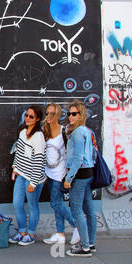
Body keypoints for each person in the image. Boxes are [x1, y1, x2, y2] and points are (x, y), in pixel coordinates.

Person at [42, 103, 80, 245]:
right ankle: (60, 233)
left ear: (58, 115)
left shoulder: (65, 132)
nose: (49, 116)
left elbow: (71, 153)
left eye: (52, 113)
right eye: (47, 113)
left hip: (60, 173)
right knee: (57, 203)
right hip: (49, 173)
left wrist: (69, 174)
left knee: (55, 203)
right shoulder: (45, 131)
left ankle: (77, 226)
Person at [63, 100, 97, 257]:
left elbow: (78, 158)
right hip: (88, 173)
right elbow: (93, 153)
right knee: (89, 209)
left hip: (80, 173)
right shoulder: (87, 131)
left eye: (74, 114)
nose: (70, 117)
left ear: (81, 115)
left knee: (76, 209)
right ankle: (90, 243)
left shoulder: (77, 133)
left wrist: (69, 177)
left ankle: (84, 248)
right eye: (69, 114)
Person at [9, 105, 46, 246]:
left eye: (31, 116)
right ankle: (22, 231)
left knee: (32, 205)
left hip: (33, 178)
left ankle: (30, 234)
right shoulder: (23, 132)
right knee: (17, 203)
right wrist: (15, 168)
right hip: (21, 174)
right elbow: (19, 153)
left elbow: (39, 160)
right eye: (26, 115)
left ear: (37, 119)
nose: (28, 118)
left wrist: (34, 182)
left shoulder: (39, 136)